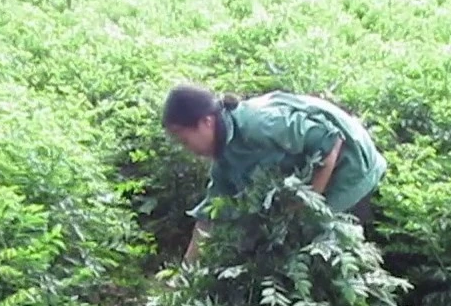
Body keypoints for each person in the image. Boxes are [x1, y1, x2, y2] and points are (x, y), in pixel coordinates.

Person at [161, 84, 387, 261]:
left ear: (206, 122)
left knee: (336, 256)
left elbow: (330, 140)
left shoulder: (259, 124)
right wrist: (185, 276)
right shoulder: (224, 160)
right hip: (313, 176)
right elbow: (209, 218)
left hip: (352, 165)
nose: (186, 148)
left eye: (184, 140)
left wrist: (306, 206)